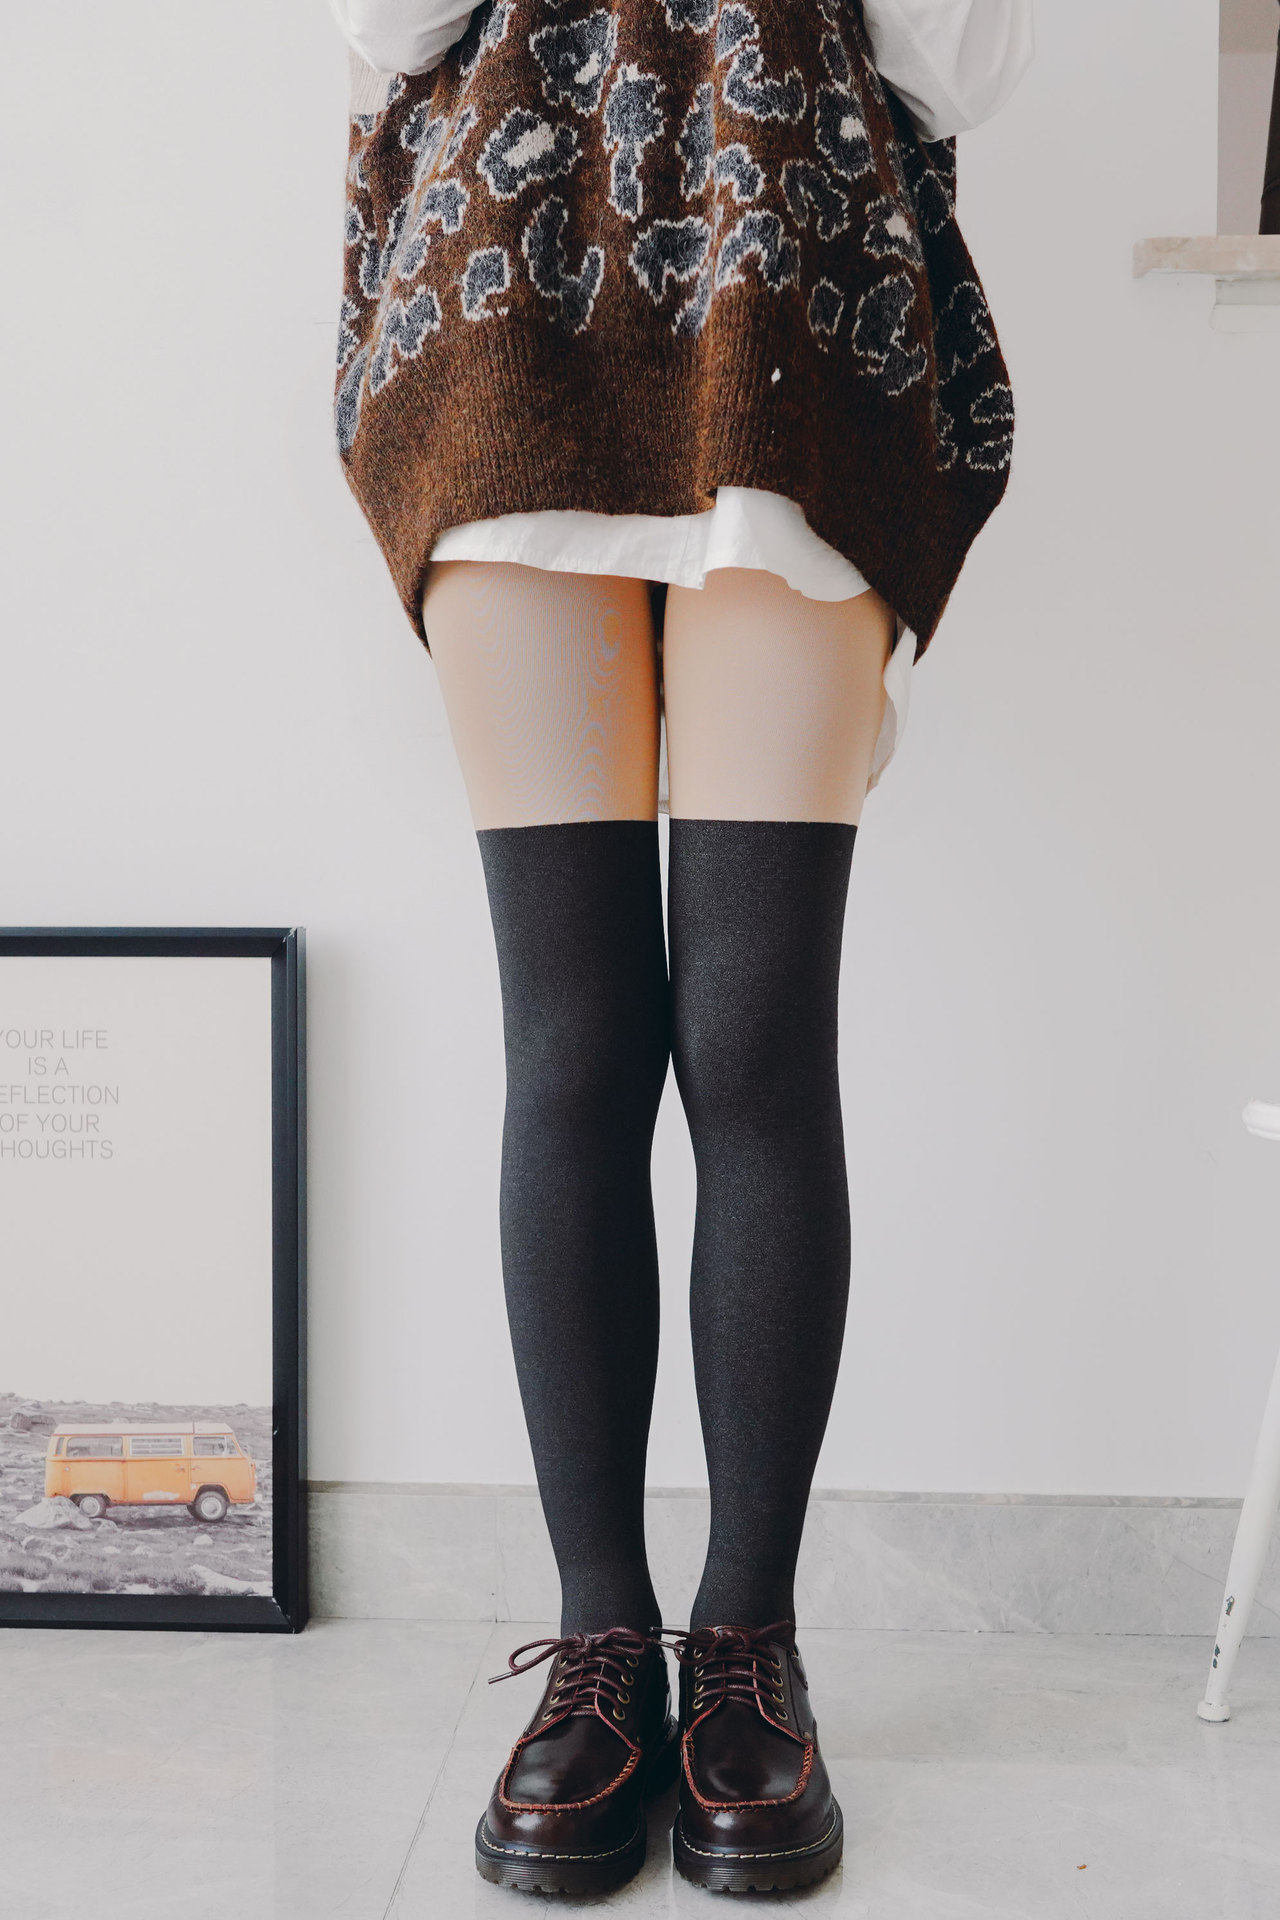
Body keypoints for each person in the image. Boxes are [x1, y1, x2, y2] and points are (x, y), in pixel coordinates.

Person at [326, 0, 1033, 1895]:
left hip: (788, 328)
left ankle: (746, 1643)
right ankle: (600, 1644)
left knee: (755, 1039)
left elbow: (956, 63)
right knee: (572, 1048)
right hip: (506, 324)